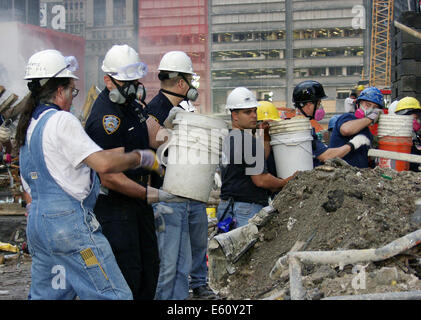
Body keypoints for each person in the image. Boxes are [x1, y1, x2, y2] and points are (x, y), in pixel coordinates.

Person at [16, 49, 161, 300]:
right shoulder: (62, 121)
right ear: (59, 90)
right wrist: (139, 157)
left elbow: (28, 185)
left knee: (50, 296)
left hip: (39, 227)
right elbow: (103, 164)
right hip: (70, 229)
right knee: (113, 294)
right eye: (73, 91)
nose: (73, 98)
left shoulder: (29, 126)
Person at [84, 45, 183, 300]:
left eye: (135, 80)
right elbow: (110, 176)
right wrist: (150, 194)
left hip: (138, 205)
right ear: (108, 80)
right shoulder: (106, 117)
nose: (133, 86)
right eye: (126, 81)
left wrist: (183, 136)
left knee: (150, 269)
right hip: (117, 209)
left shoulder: (133, 105)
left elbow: (150, 138)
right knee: (130, 274)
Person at [145, 51, 216, 300]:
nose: (193, 86)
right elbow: (154, 138)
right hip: (166, 196)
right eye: (190, 79)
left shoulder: (180, 108)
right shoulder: (157, 108)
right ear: (181, 83)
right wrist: (176, 132)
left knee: (180, 266)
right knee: (168, 266)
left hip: (182, 193)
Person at [216, 87, 297, 231]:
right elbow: (260, 179)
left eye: (254, 111)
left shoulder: (230, 138)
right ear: (235, 115)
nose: (254, 115)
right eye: (248, 112)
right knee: (247, 251)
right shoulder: (247, 140)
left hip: (228, 207)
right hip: (246, 208)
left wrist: (264, 135)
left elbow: (257, 161)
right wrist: (286, 182)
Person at [292, 80, 371, 167]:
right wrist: (353, 144)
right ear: (309, 104)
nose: (320, 108)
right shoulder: (301, 129)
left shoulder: (302, 125)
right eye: (318, 104)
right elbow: (326, 156)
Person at [328, 87, 384, 168]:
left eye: (375, 108)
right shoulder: (348, 117)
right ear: (358, 105)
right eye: (368, 105)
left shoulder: (367, 132)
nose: (371, 109)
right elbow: (346, 130)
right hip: (340, 174)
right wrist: (370, 118)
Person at [394, 97, 421, 172]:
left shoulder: (415, 136)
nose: (416, 121)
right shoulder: (395, 136)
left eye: (417, 118)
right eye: (414, 118)